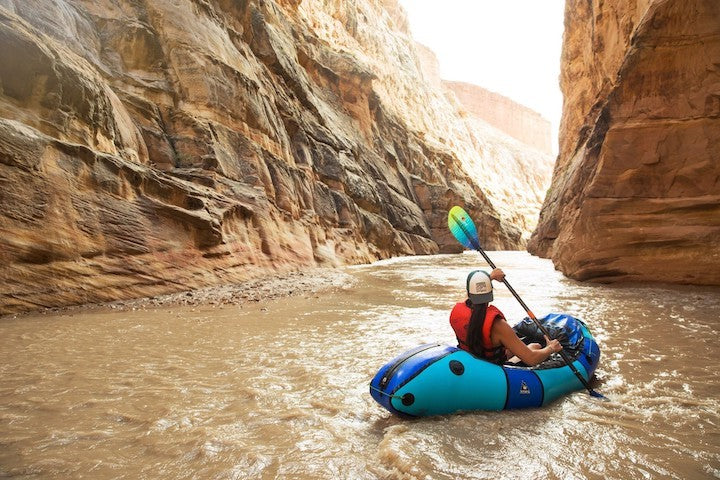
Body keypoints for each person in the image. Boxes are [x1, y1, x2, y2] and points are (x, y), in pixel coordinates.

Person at [449, 268, 562, 366]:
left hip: (471, 360)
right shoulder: (498, 325)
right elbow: (531, 359)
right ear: (491, 294)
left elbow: (470, 297)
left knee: (526, 346)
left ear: (469, 293)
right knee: (535, 346)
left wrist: (490, 277)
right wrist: (551, 348)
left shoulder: (457, 309)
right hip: (493, 369)